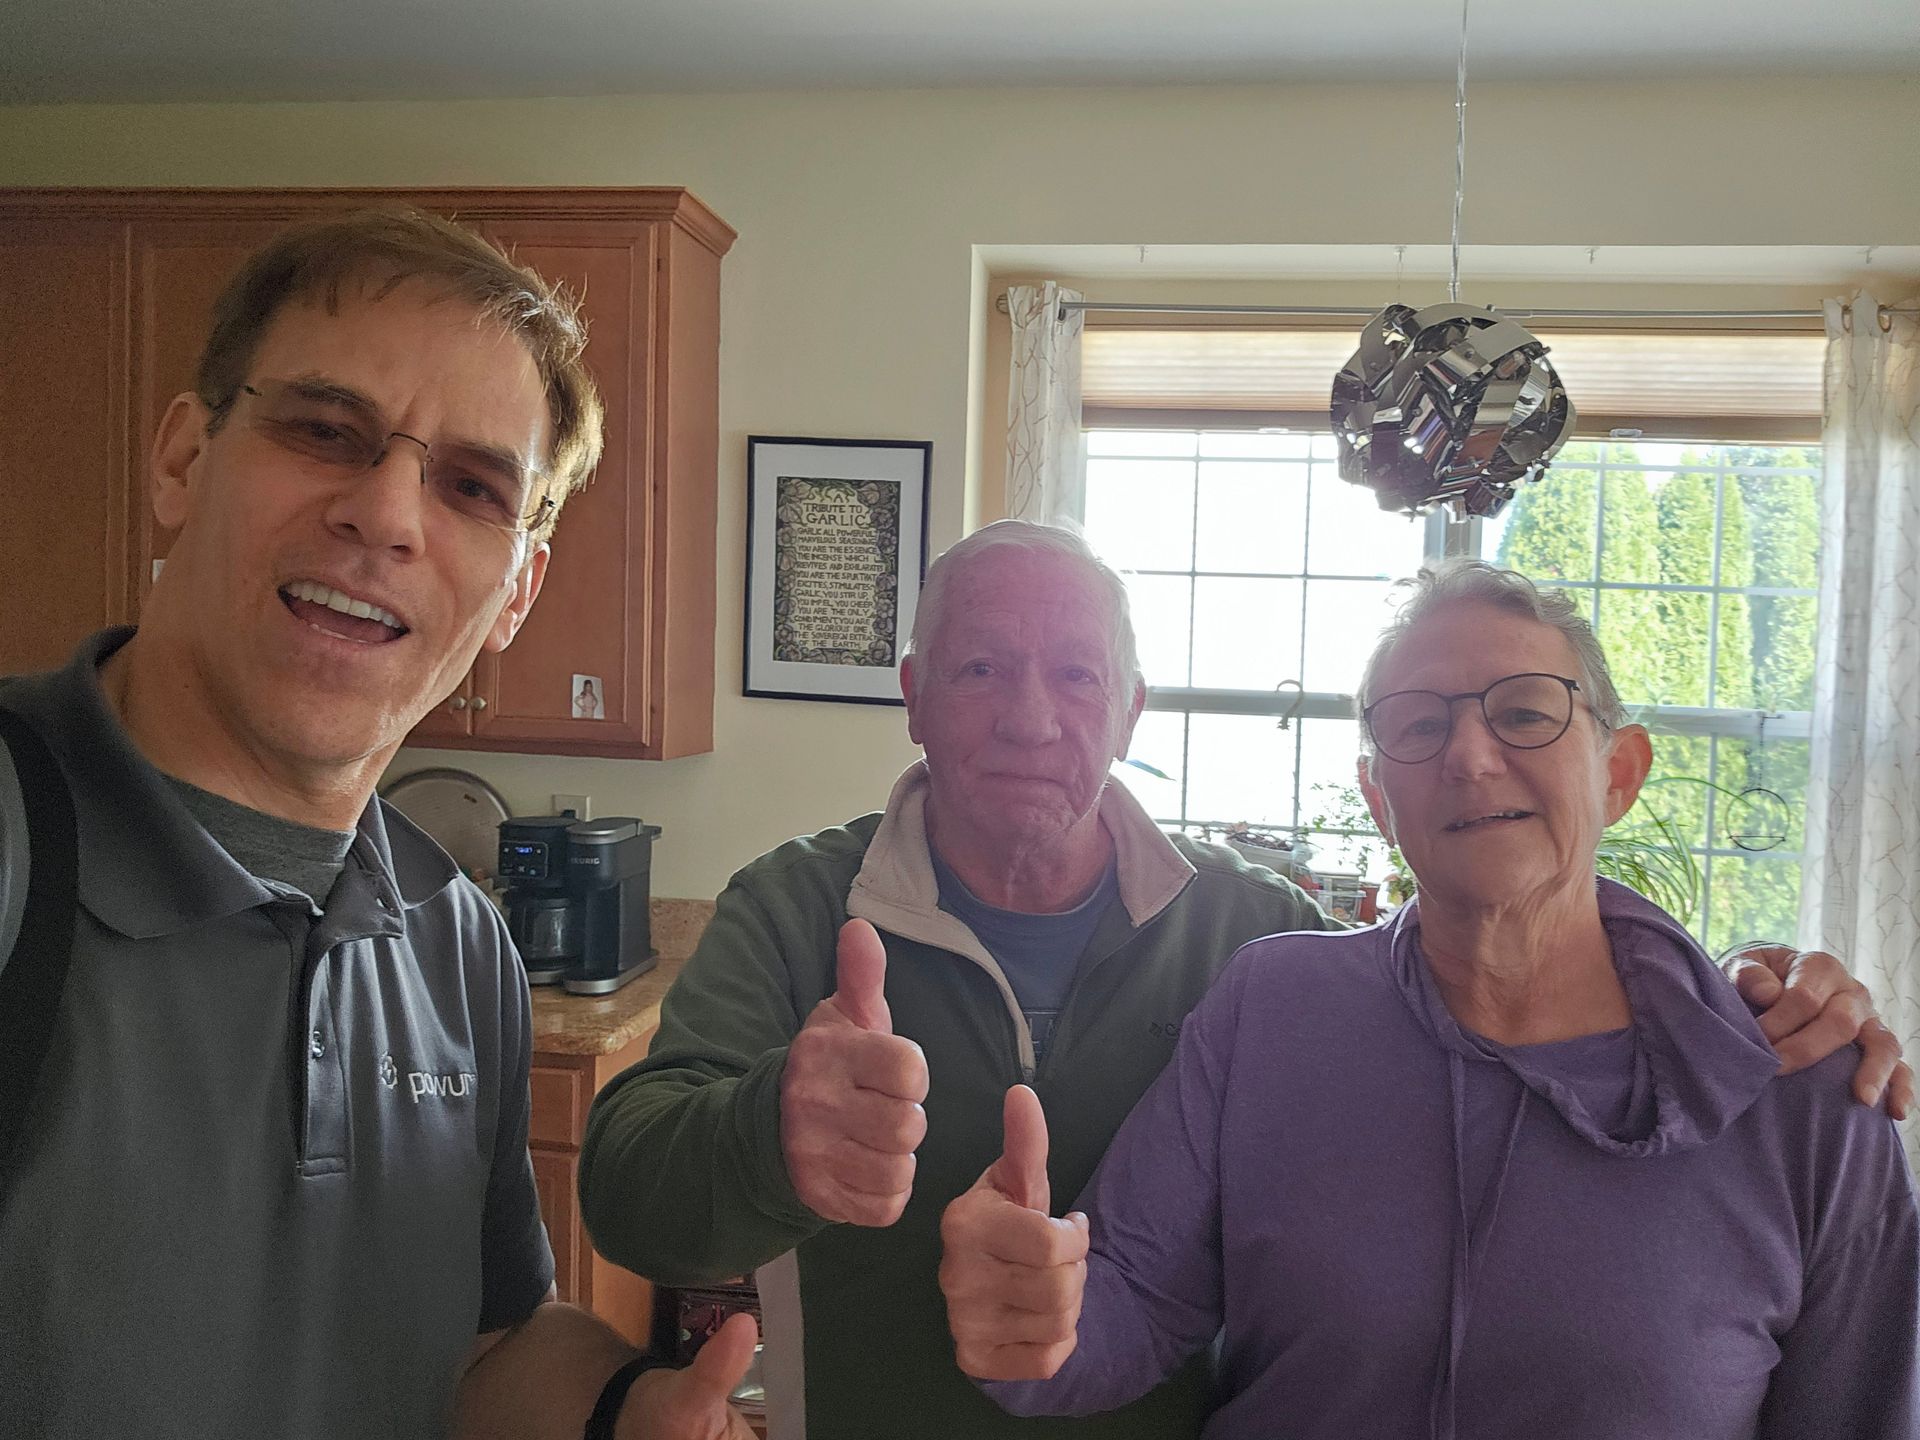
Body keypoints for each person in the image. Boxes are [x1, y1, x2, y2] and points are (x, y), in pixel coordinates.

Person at [579, 522, 1908, 1439]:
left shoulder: (1251, 939)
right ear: (917, 696)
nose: (1030, 715)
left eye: (1524, 713)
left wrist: (1749, 985)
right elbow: (632, 1196)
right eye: (981, 670)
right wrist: (780, 1135)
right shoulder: (806, 909)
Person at [0, 209, 754, 1440]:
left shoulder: (459, 948)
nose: (388, 515)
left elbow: (482, 1351)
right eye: (324, 430)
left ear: (518, 590)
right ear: (184, 461)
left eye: (471, 485)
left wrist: (627, 1410)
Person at [942, 561, 1920, 1439]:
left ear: (1618, 771)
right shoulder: (1273, 1007)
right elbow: (1130, 1302)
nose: (1470, 755)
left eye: (1526, 712)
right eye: (1420, 723)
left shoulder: (1805, 1093)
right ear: (1378, 797)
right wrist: (1039, 1319)